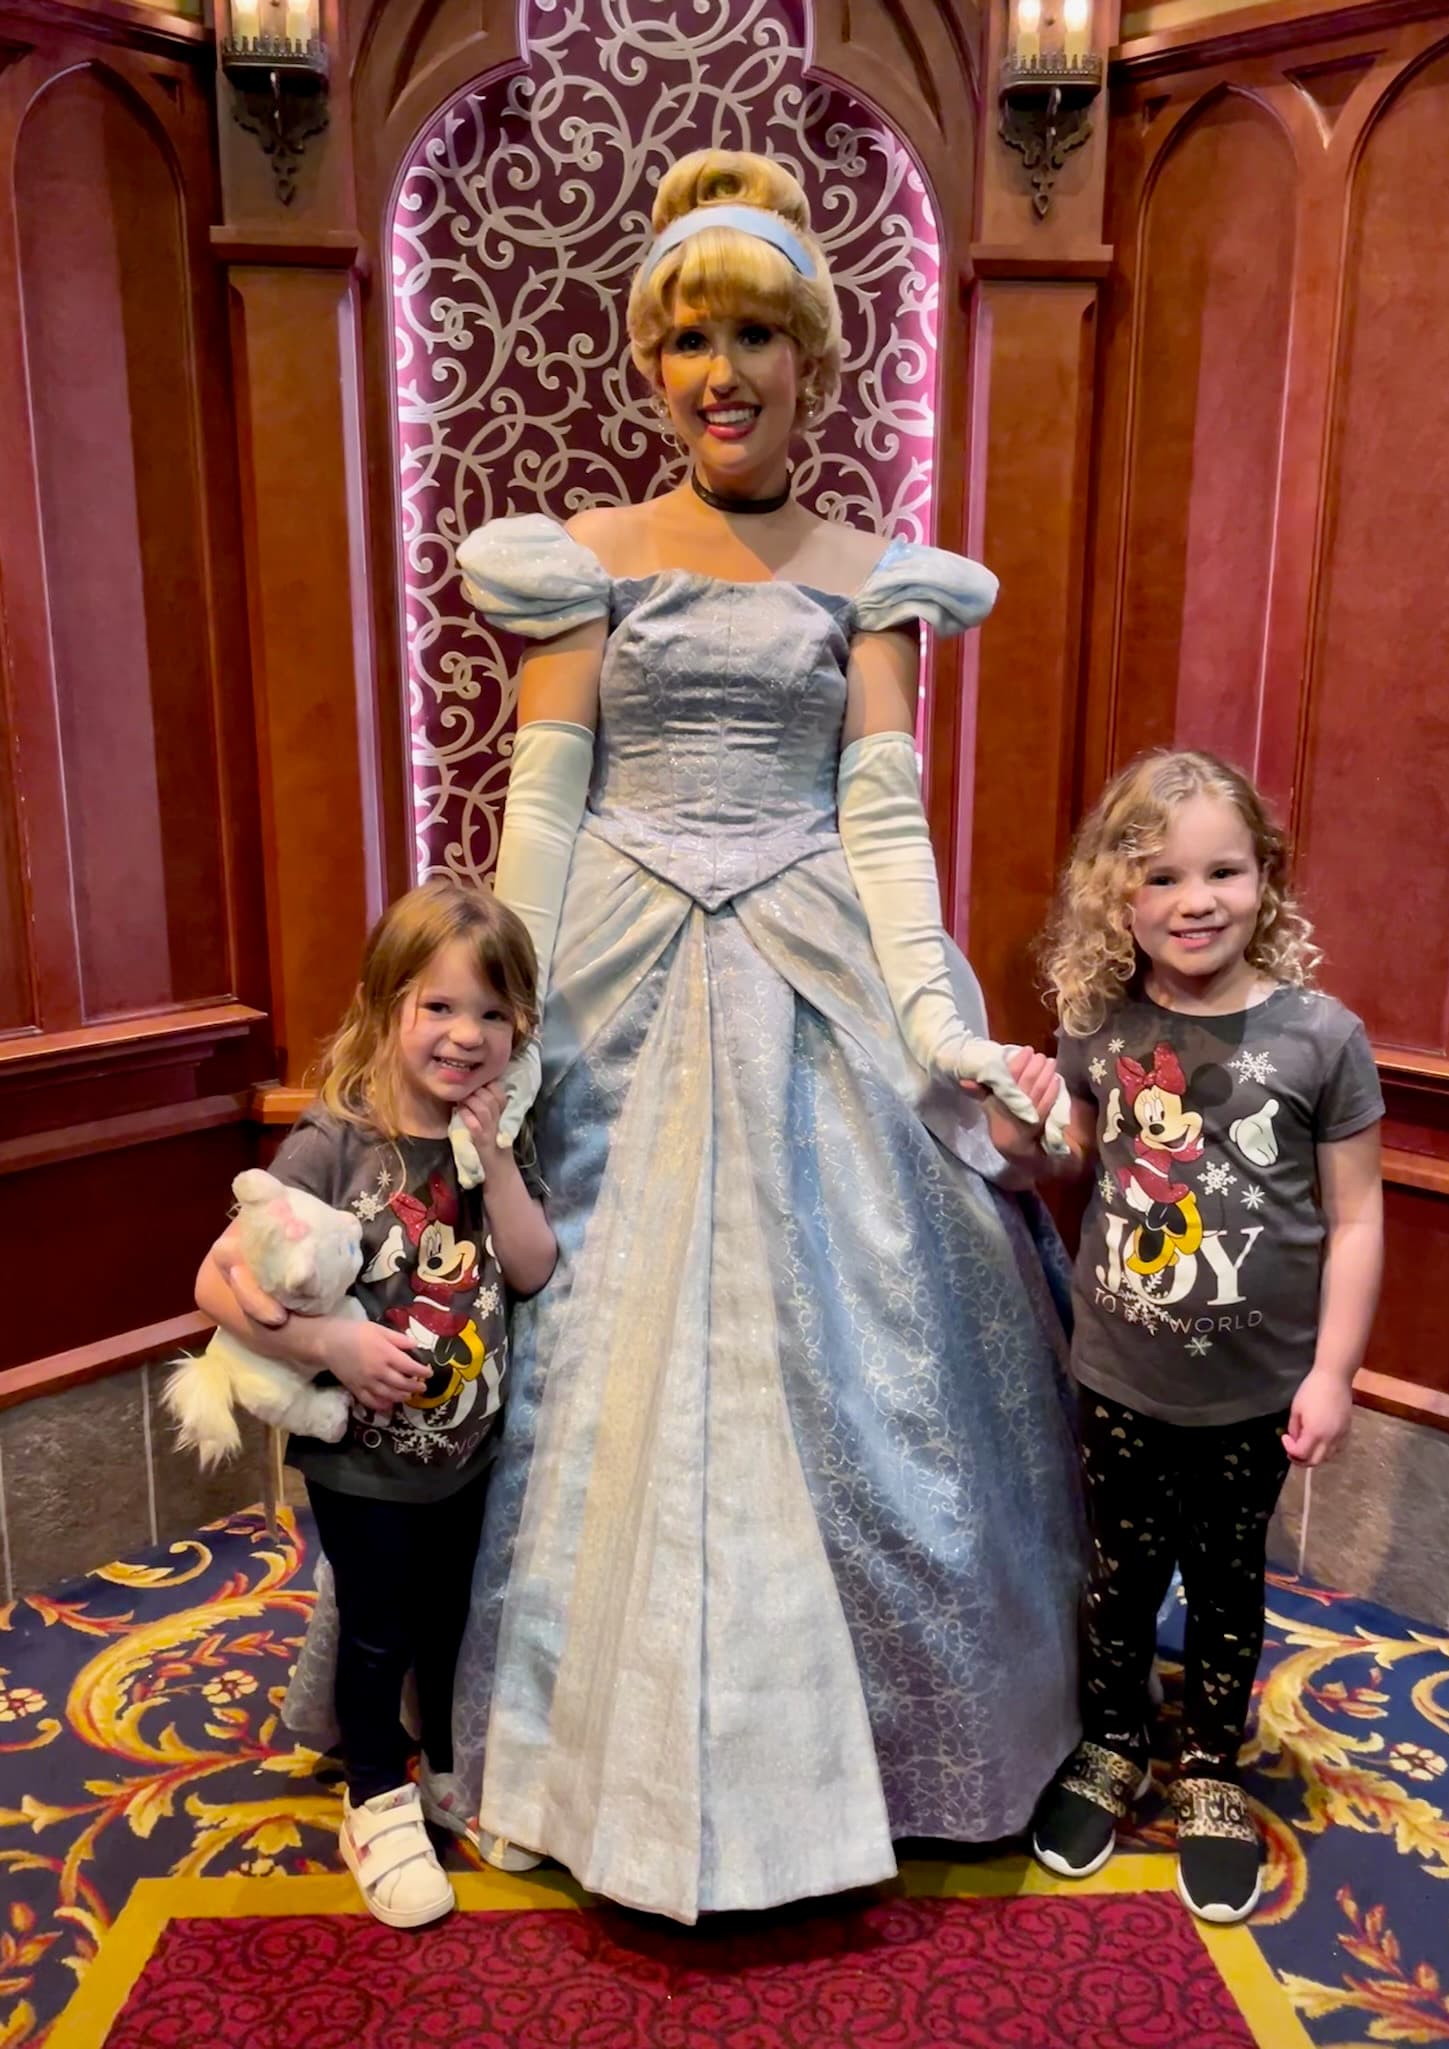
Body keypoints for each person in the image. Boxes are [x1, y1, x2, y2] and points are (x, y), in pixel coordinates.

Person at [357, 146, 1086, 1925]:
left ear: (813, 361)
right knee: (545, 1313)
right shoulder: (578, 562)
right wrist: (503, 1037)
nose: (721, 372)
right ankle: (541, 1746)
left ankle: (904, 1741)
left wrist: (935, 1019)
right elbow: (540, 811)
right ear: (649, 363)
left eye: (758, 333)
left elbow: (886, 826)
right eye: (689, 339)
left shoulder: (874, 576)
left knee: (890, 1336)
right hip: (610, 947)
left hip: (813, 958)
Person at [984, 748, 1383, 1925]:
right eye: (1159, 877)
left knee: (1223, 1580)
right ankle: (1112, 1743)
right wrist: (1012, 1116)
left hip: (1257, 1391)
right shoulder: (1100, 1022)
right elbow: (1053, 1162)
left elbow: (1357, 1215)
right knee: (1117, 1575)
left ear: (1265, 875)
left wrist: (1335, 1372)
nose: (1193, 900)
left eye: (1222, 870)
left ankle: (1210, 1768)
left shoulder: (1320, 1036)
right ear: (1117, 893)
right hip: (1116, 1371)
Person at [196, 880, 557, 1928]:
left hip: (468, 1451)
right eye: (439, 1007)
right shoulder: (334, 1141)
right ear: (387, 1007)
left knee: (449, 1620)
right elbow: (214, 1282)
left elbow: (530, 1270)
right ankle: (373, 1799)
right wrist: (334, 1342)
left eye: (493, 1014)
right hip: (364, 1460)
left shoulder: (492, 1137)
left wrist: (492, 1157)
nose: (466, 1035)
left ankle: (443, 1771)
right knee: (374, 1630)